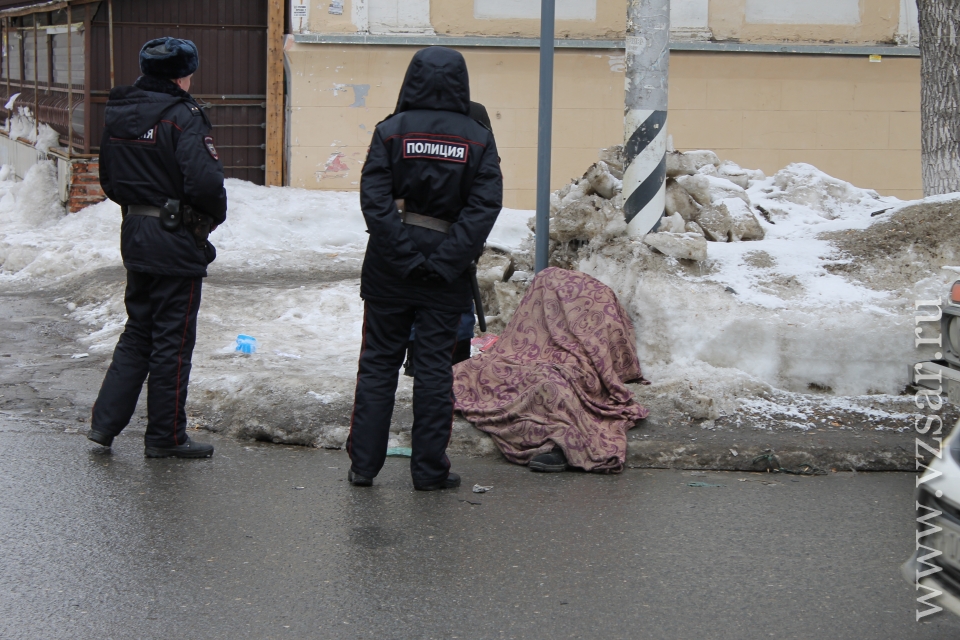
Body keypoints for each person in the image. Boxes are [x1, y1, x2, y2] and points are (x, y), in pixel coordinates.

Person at [348, 47, 503, 490]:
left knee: (378, 364)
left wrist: (403, 255)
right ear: (462, 82)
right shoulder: (477, 136)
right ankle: (430, 471)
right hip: (446, 268)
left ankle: (363, 466)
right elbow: (484, 205)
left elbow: (374, 202)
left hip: (388, 264)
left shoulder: (390, 130)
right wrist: (446, 260)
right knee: (435, 368)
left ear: (411, 79)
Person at [86, 37, 227, 458]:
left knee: (138, 331)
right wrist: (207, 219)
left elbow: (109, 180)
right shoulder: (183, 116)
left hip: (136, 230)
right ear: (182, 75)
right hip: (175, 236)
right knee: (173, 340)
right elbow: (205, 183)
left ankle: (103, 426)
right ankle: (165, 437)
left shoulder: (121, 112)